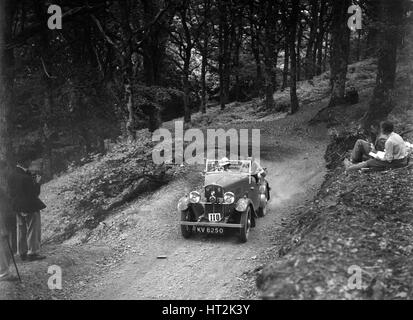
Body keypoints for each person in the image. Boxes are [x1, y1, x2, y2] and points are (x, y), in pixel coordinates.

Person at [8, 159, 46, 261]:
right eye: (29, 162)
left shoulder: (12, 175)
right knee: (33, 228)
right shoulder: (25, 178)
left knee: (21, 228)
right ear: (24, 163)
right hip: (29, 206)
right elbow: (34, 194)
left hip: (17, 206)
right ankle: (33, 253)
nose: (30, 164)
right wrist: (37, 183)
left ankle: (22, 252)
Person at [0, 160, 17, 282]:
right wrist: (2, 227)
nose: (7, 171)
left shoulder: (3, 182)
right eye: (5, 169)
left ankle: (4, 271)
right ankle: (3, 273)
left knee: (5, 246)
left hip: (6, 217)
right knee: (3, 246)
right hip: (2, 220)